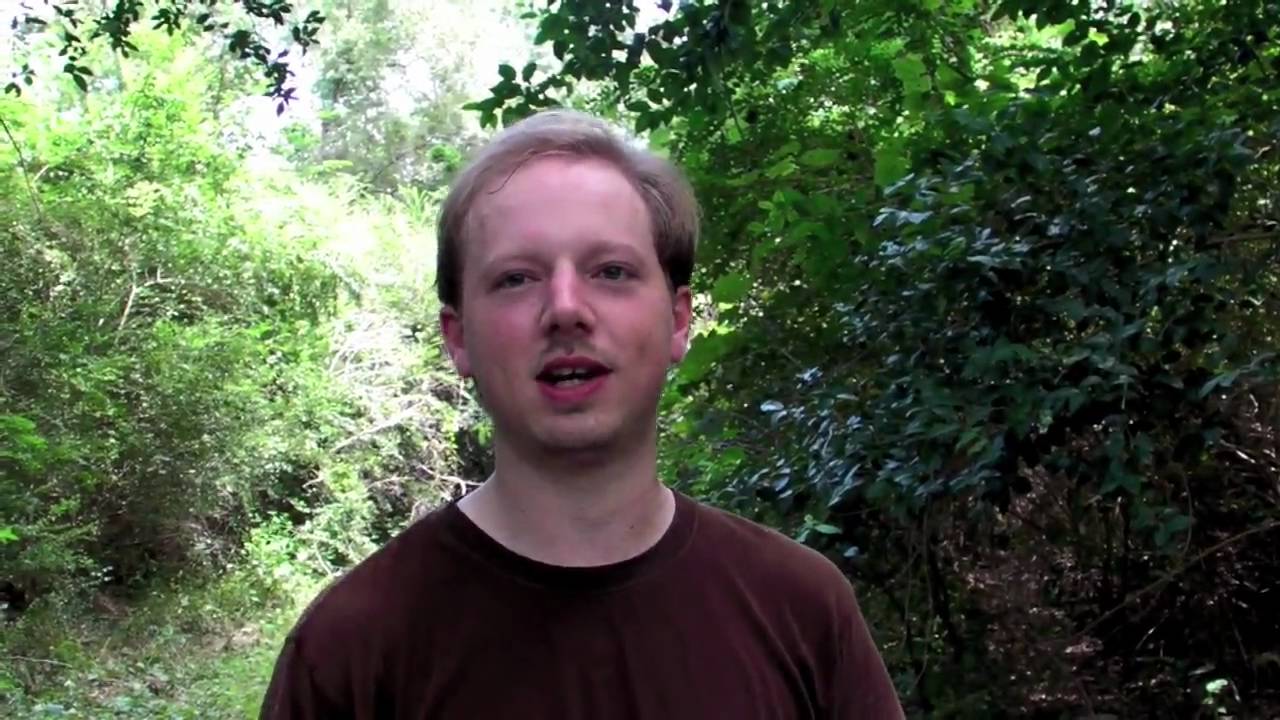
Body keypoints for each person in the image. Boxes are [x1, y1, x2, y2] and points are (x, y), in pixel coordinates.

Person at [259, 109, 904, 719]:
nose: (566, 308)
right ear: (458, 337)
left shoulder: (803, 610)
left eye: (612, 271)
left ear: (678, 320)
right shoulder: (350, 651)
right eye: (516, 278)